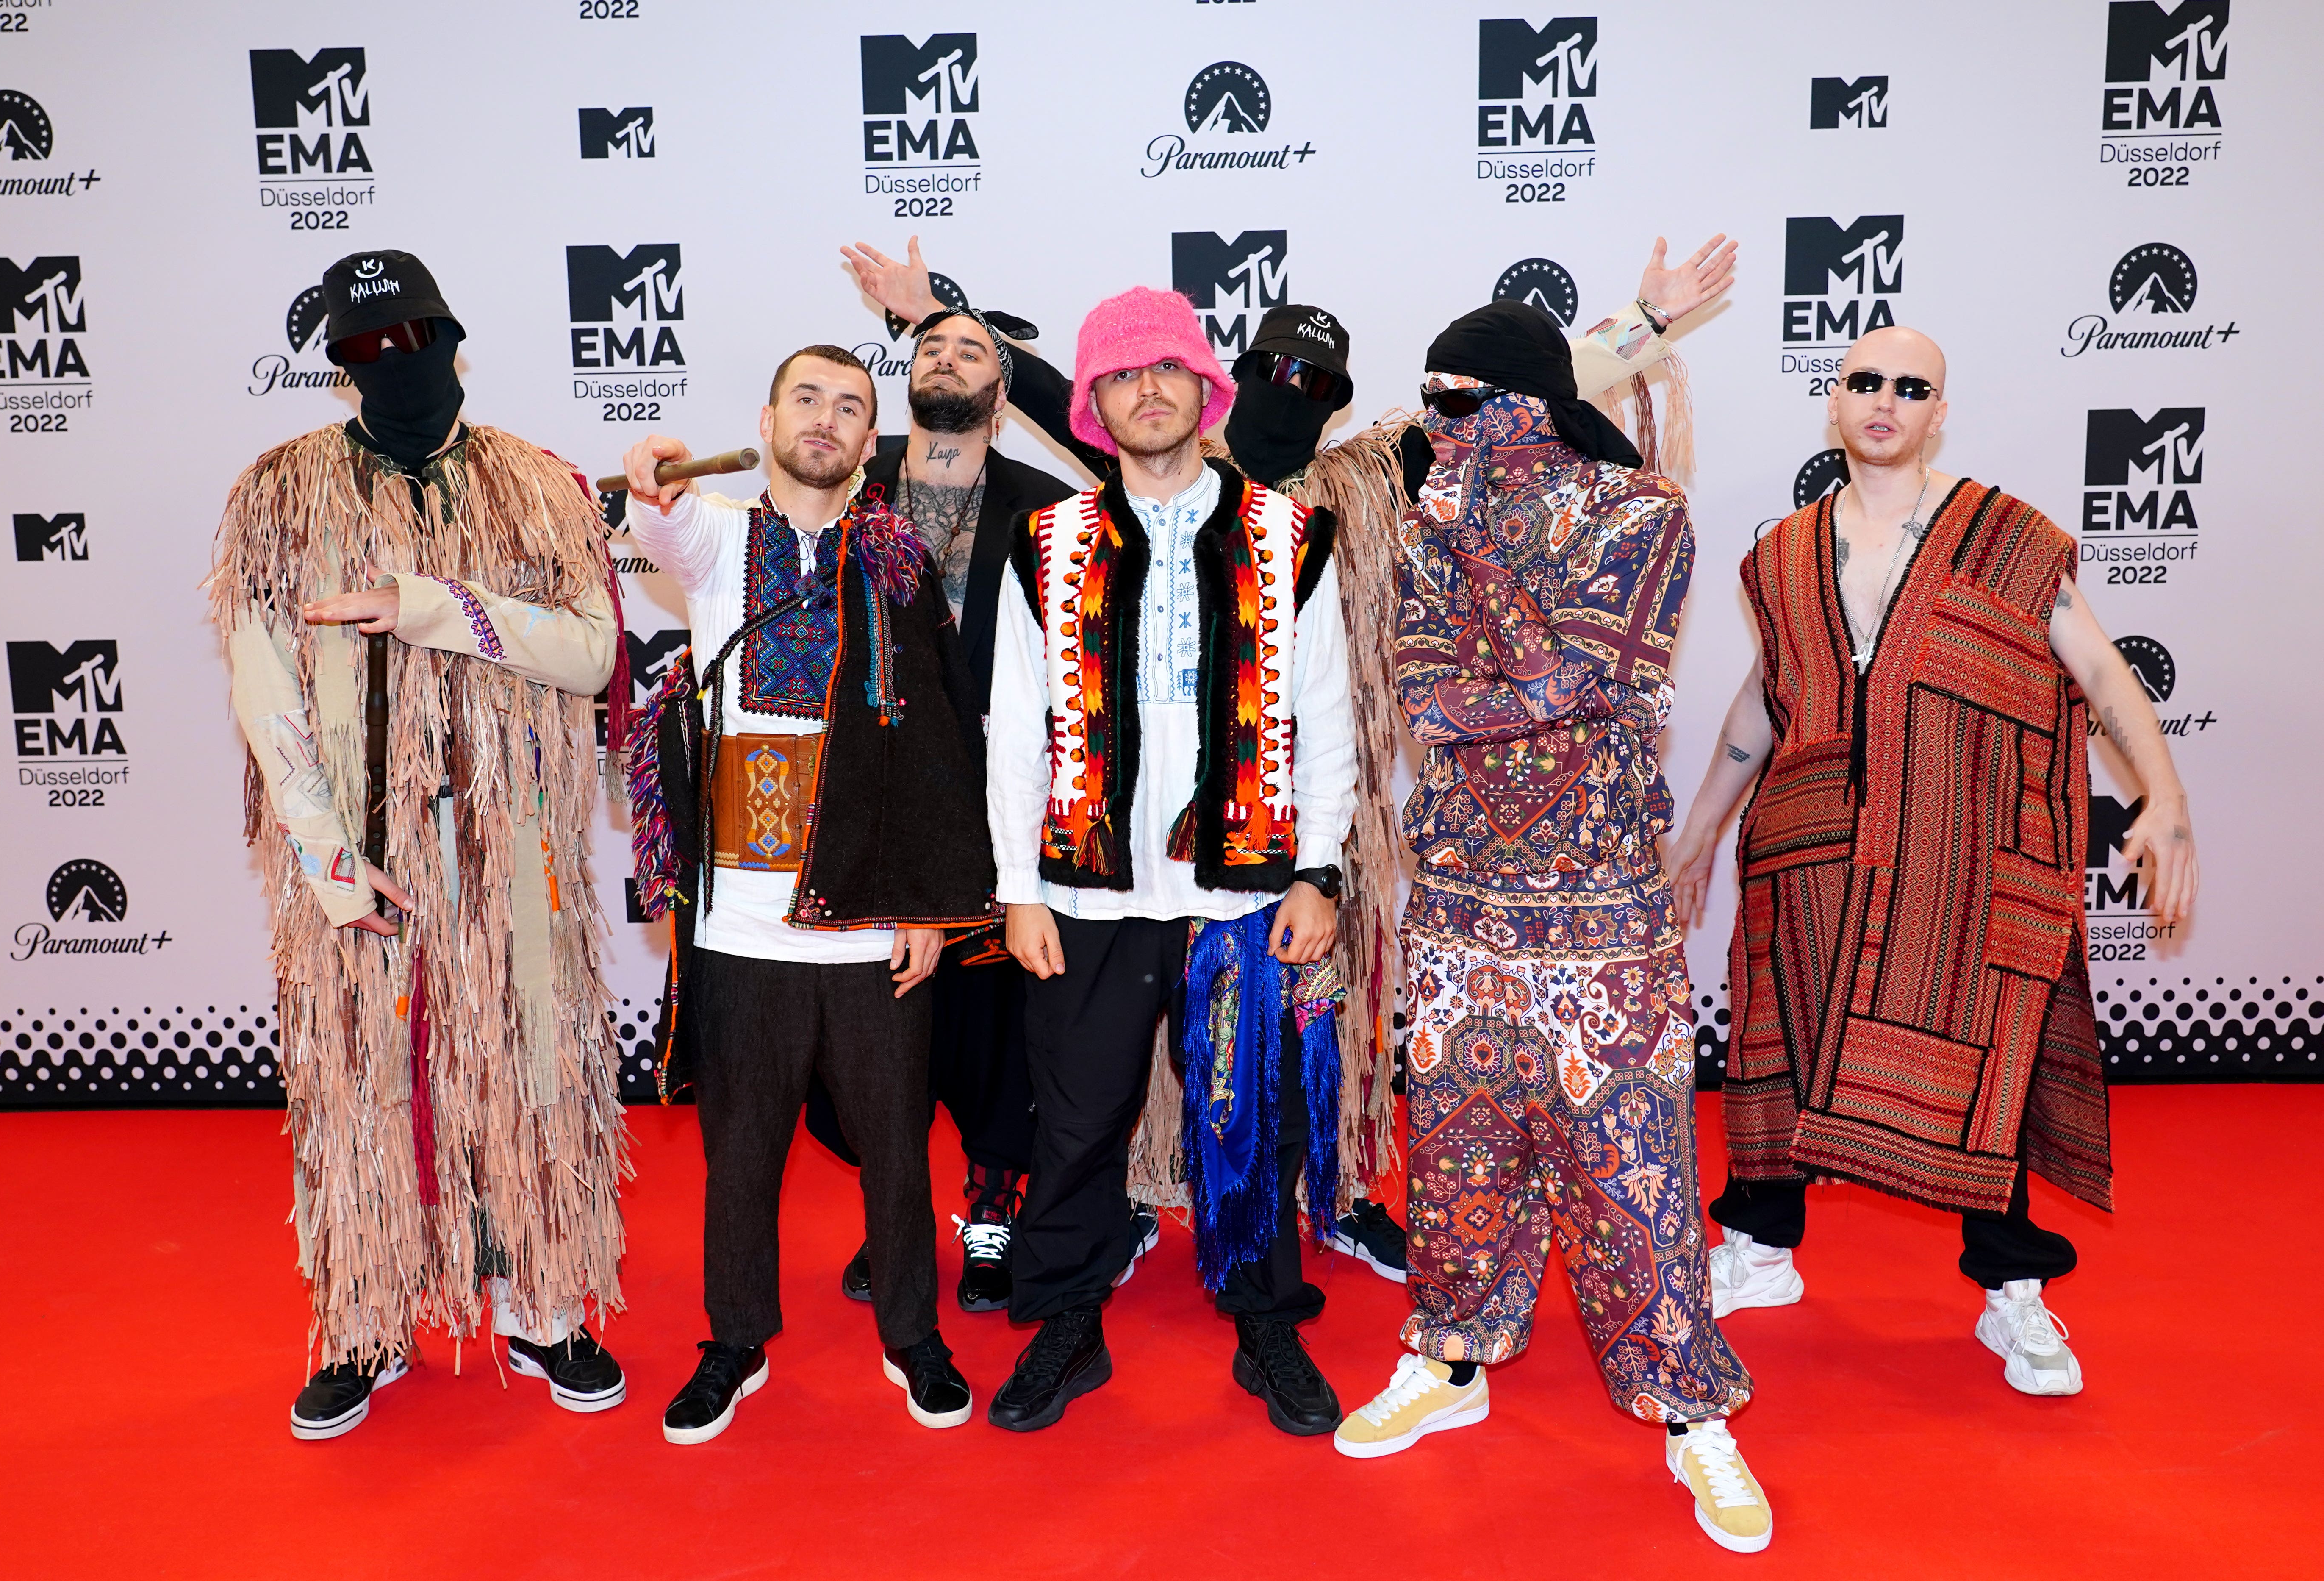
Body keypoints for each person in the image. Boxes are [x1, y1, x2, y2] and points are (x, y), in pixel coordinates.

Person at [844, 233, 1738, 1281]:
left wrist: (1644, 324)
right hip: (1128, 824)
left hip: (1316, 783)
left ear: (1338, 401)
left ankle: (1338, 1194)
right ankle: (1139, 1195)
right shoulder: (1154, 472)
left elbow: (1517, 388)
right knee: (1121, 1038)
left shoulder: (1372, 471)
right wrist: (925, 319)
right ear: (1228, 383)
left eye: (1316, 383)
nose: (1291, 394)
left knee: (1310, 1016)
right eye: (1273, 372)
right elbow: (1056, 387)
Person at [1664, 325, 2199, 1397]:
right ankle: (1761, 1249)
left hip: (1958, 851)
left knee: (1978, 1052)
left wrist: (2166, 797)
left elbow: (2096, 669)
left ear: (1937, 411)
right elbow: (1766, 696)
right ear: (1833, 400)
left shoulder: (2006, 537)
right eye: (1865, 382)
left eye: (1913, 388)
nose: (1885, 401)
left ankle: (2013, 1294)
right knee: (1779, 1039)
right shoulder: (1779, 553)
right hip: (1805, 837)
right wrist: (1700, 832)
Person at [1334, 301, 1772, 1557]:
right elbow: (1432, 697)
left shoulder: (1647, 516)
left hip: (1603, 915)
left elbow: (1574, 674)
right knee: (1459, 1147)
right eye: (1428, 402)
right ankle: (1451, 1356)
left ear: (1527, 404)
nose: (1438, 427)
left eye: (1462, 403)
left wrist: (1478, 564)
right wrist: (1503, 649)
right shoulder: (1425, 525)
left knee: (1629, 1167)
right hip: (1461, 897)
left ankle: (1692, 1410)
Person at [212, 249, 629, 1441]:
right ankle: (366, 1318)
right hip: (361, 853)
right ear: (338, 367)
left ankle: (546, 1299)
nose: (390, 364)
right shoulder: (276, 491)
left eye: (409, 338)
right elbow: (265, 687)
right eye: (360, 350)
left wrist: (430, 607)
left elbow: (595, 654)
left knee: (536, 1067)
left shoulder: (539, 483)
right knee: (354, 1084)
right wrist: (330, 862)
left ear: (451, 336)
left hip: (517, 846)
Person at [983, 287, 1358, 1436]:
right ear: (1092, 404)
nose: (1148, 390)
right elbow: (1015, 721)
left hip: (1242, 893)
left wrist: (1320, 869)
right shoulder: (1045, 542)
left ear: (1206, 389)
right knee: (1077, 1114)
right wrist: (1014, 888)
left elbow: (1326, 711)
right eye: (1122, 375)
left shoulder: (1288, 536)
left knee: (1249, 1116)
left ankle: (1263, 1319)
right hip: (1084, 891)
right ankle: (1065, 1317)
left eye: (1168, 371)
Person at [619, 345, 997, 1442]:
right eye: (807, 400)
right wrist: (651, 468)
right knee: (740, 1151)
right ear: (769, 416)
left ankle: (912, 1334)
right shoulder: (716, 536)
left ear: (869, 434)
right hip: (739, 918)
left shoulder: (900, 563)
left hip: (873, 918)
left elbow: (935, 748)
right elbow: (655, 512)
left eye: (850, 405)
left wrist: (930, 905)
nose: (826, 420)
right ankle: (733, 1338)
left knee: (894, 1150)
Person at [820, 306, 1075, 1314]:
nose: (949, 359)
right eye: (931, 346)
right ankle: (897, 1216)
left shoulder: (1047, 509)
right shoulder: (844, 487)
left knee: (999, 1029)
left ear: (1002, 396)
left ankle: (992, 1209)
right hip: (870, 810)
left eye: (973, 351)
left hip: (999, 807)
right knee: (875, 1028)